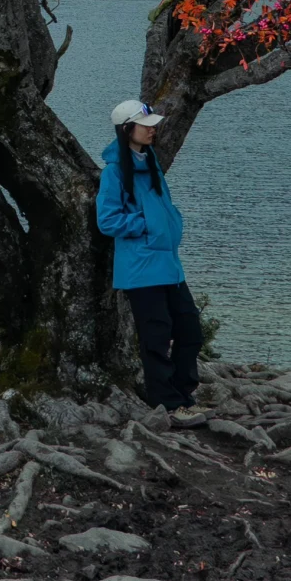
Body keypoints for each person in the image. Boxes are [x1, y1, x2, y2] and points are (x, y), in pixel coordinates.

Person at [96, 98, 203, 416]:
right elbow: (108, 220)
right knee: (156, 339)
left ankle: (183, 395)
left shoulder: (150, 163)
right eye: (146, 125)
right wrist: (150, 226)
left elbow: (164, 208)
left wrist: (171, 222)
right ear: (127, 129)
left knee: (190, 332)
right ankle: (168, 404)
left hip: (168, 266)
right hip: (141, 269)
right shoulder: (114, 173)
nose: (153, 129)